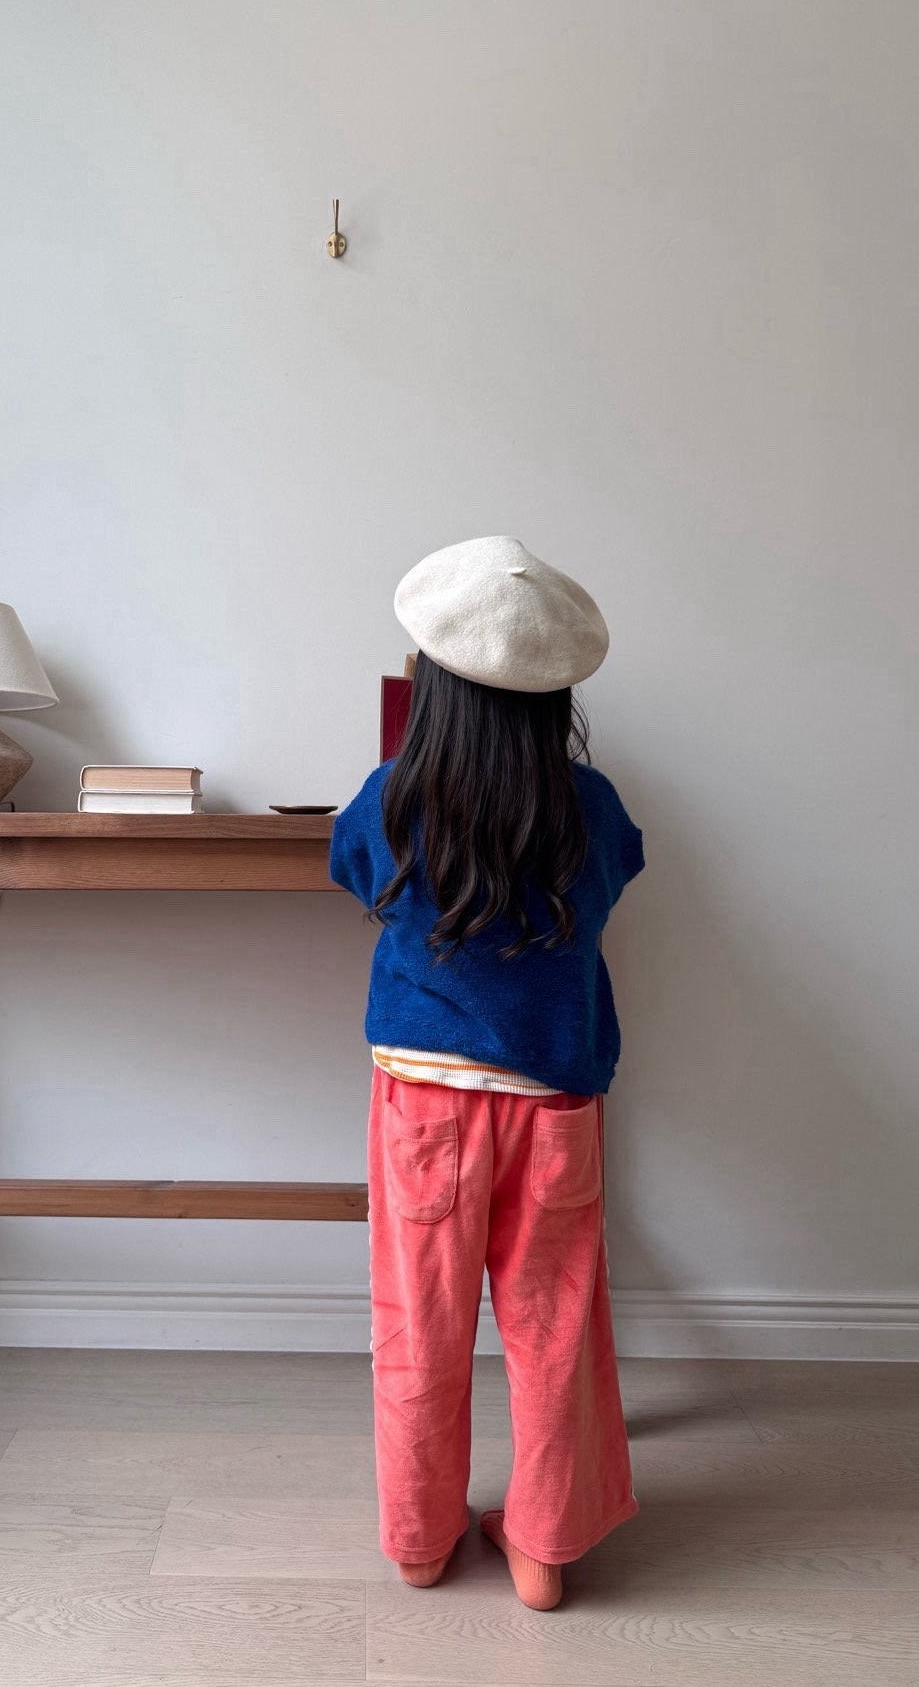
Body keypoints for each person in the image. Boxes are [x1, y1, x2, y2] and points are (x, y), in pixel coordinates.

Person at [329, 536, 645, 1611]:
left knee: (418, 1317)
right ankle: (545, 1549)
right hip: (552, 1098)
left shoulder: (390, 798)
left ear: (430, 685)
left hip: (422, 1098)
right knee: (554, 1324)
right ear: (554, 696)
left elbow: (352, 868)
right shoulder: (591, 807)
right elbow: (617, 876)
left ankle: (421, 1539)